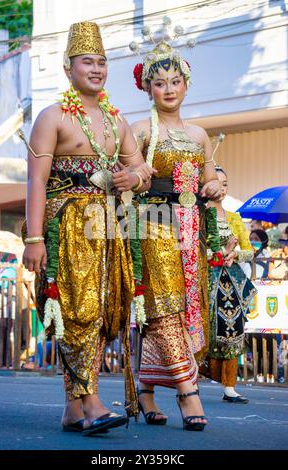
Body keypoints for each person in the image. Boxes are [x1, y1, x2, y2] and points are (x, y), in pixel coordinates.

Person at [22, 21, 155, 436]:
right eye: (87, 62)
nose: (96, 69)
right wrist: (34, 238)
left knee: (100, 315)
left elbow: (142, 169)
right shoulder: (52, 116)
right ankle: (92, 403)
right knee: (76, 312)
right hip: (66, 228)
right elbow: (36, 181)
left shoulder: (117, 120)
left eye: (102, 62)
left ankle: (72, 409)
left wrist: (133, 179)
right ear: (68, 68)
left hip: (107, 227)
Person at [130, 38, 222, 431]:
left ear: (186, 84)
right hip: (152, 225)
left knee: (187, 309)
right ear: (148, 88)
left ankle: (145, 388)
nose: (168, 89)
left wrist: (218, 187)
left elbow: (212, 182)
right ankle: (188, 391)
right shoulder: (138, 130)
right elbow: (125, 184)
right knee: (165, 305)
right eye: (160, 83)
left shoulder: (201, 135)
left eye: (174, 81)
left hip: (193, 231)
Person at [204, 166, 257, 403]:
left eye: (226, 183)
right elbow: (193, 251)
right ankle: (190, 382)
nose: (222, 188)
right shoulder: (199, 215)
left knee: (234, 330)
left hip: (232, 283)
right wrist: (219, 253)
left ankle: (229, 386)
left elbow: (249, 252)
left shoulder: (235, 218)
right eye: (218, 183)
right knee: (205, 332)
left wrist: (235, 255)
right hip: (207, 282)